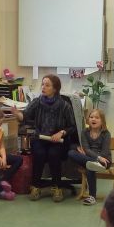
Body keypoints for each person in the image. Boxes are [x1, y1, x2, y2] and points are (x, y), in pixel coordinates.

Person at [12, 74, 77, 202]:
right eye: (43, 84)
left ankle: (57, 187)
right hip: (40, 138)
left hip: (58, 140)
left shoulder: (64, 105)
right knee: (39, 154)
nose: (43, 87)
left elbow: (72, 126)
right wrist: (17, 114)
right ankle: (35, 186)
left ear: (55, 88)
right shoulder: (37, 102)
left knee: (54, 154)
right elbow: (25, 116)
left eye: (47, 85)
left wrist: (61, 133)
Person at [68, 108, 112, 205]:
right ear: (88, 120)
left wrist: (97, 158)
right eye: (91, 117)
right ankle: (92, 197)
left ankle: (92, 197)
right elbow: (86, 149)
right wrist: (96, 158)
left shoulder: (106, 134)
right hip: (93, 159)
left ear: (102, 120)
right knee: (72, 153)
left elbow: (104, 153)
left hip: (104, 161)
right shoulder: (85, 132)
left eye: (97, 117)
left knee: (89, 166)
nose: (93, 119)